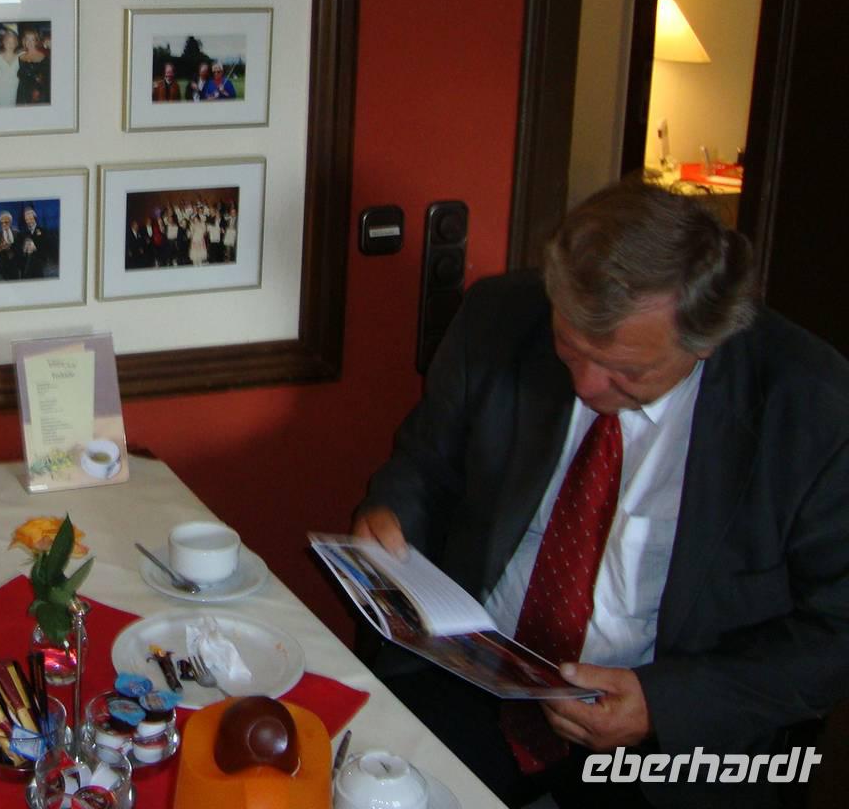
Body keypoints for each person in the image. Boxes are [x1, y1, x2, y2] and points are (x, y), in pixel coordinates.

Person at [348, 178, 849, 809]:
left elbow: (837, 632)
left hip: (666, 731)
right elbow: (428, 460)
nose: (585, 385)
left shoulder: (813, 411)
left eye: (627, 370)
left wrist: (662, 703)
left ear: (706, 340)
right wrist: (394, 512)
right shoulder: (500, 316)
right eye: (570, 346)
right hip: (479, 675)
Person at [15, 205, 57, 280]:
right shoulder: (23, 233)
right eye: (27, 219)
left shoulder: (43, 231)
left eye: (31, 218)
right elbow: (19, 248)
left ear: (35, 218)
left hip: (40, 263)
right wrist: (25, 248)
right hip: (26, 264)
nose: (29, 221)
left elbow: (47, 246)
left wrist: (35, 246)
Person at [0, 27, 23, 106]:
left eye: (13, 42)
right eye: (8, 42)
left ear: (16, 44)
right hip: (0, 87)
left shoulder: (20, 57)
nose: (10, 45)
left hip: (13, 87)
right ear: (4, 42)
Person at [17, 28, 50, 106]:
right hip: (22, 91)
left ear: (36, 41)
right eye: (27, 39)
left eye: (32, 39)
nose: (30, 42)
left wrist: (38, 89)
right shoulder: (20, 57)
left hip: (37, 93)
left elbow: (46, 78)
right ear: (24, 41)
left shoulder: (43, 57)